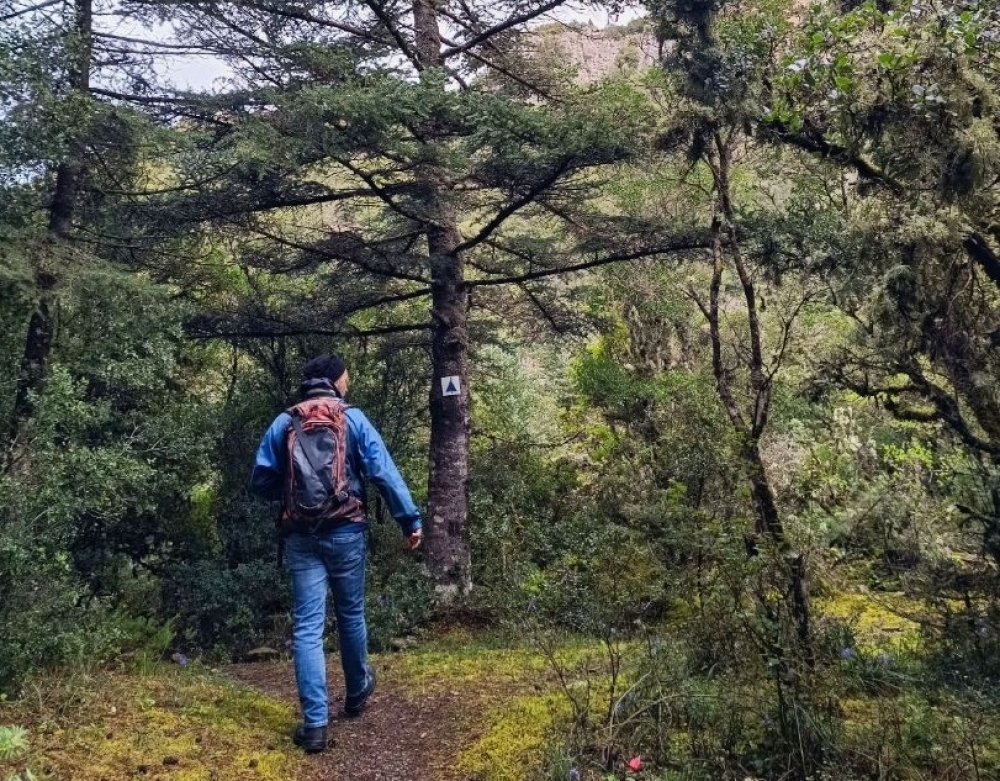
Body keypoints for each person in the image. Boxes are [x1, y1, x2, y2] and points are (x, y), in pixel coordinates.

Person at [250, 353, 423, 753]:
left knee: (308, 627)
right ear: (333, 381)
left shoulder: (285, 421)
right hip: (346, 529)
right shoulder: (352, 419)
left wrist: (292, 493)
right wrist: (409, 520)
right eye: (345, 378)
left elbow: (260, 480)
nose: (347, 383)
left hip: (300, 535)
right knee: (351, 613)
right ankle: (358, 690)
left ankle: (315, 726)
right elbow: (383, 472)